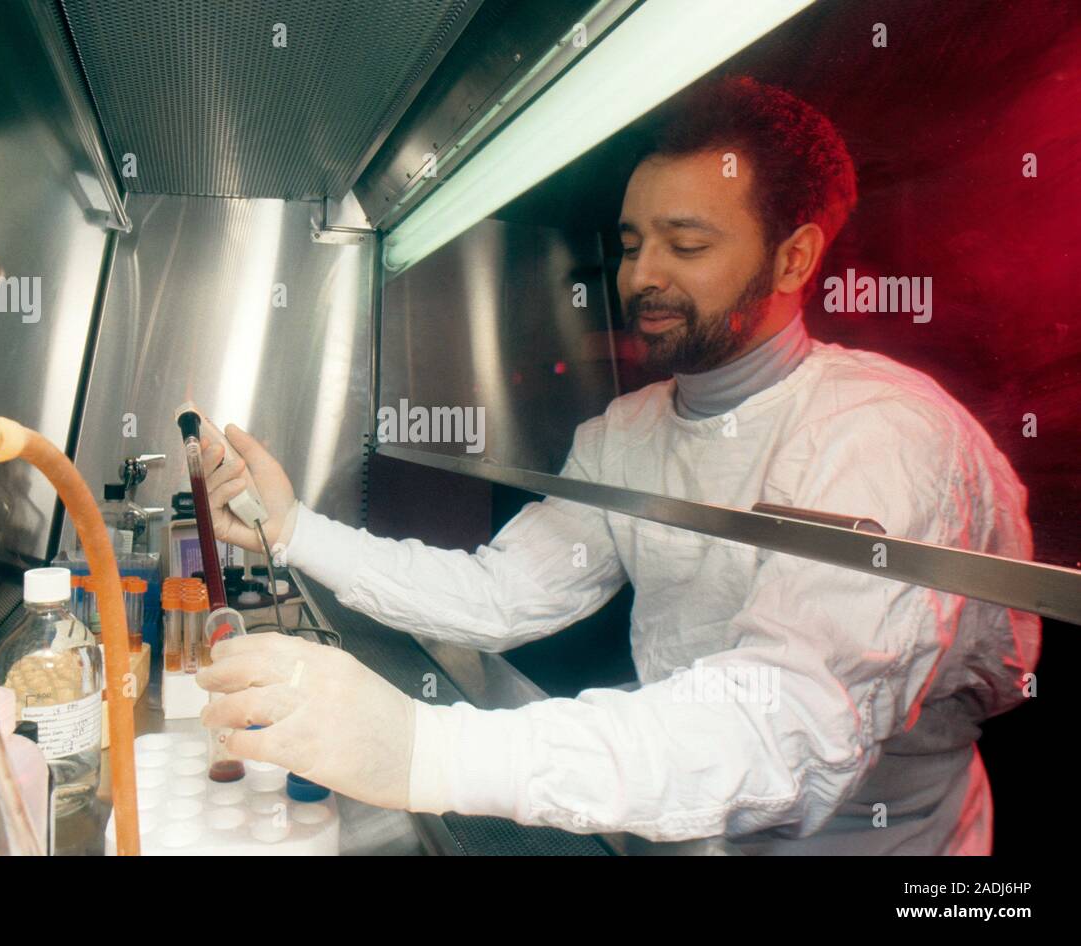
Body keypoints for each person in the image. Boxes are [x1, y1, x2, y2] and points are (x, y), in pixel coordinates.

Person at [194, 76, 1040, 854]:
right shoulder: (628, 431)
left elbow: (783, 725)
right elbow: (502, 593)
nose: (643, 276)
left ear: (793, 257)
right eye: (633, 244)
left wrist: (428, 752)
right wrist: (292, 529)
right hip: (673, 822)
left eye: (686, 244)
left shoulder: (882, 435)